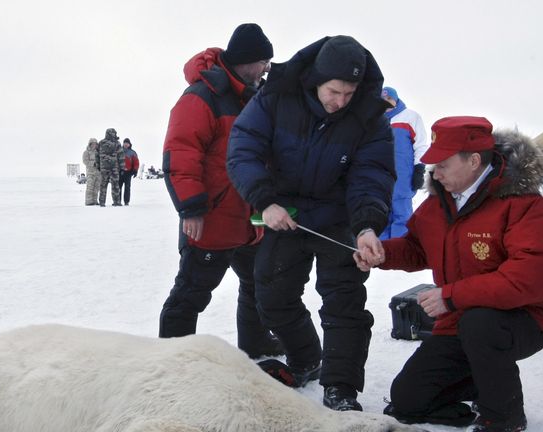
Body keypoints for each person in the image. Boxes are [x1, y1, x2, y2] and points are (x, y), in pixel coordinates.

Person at [354, 116, 543, 431]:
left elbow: (525, 277)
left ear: (473, 161)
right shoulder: (437, 204)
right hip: (459, 319)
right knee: (408, 400)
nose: (434, 172)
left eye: (442, 164)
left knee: (480, 324)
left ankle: (503, 418)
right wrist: (383, 254)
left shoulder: (520, 203)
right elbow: (417, 248)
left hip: (521, 319)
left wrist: (451, 296)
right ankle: (481, 381)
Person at [226, 35, 396, 411]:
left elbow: (372, 176)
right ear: (317, 79)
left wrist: (367, 226)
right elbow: (243, 148)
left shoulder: (369, 115)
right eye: (335, 91)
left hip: (340, 217)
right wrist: (265, 200)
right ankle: (306, 358)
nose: (341, 102)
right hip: (287, 214)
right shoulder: (276, 96)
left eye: (349, 93)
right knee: (270, 293)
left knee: (344, 303)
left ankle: (341, 388)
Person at [159, 23, 282, 359]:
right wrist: (191, 208)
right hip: (212, 218)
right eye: (264, 61)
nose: (267, 68)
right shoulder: (201, 96)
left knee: (258, 285)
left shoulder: (255, 97)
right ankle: (172, 358)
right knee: (191, 293)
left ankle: (255, 343)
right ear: (248, 60)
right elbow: (181, 153)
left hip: (250, 219)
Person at [379, 86, 429, 239]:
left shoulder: (410, 117)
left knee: (402, 214)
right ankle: (382, 255)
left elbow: (420, 145)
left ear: (395, 99)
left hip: (403, 177)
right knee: (380, 213)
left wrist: (419, 169)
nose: (386, 103)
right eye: (382, 100)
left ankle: (401, 252)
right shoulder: (373, 120)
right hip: (380, 176)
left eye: (389, 99)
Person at [96, 128, 124, 207]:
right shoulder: (116, 143)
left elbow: (96, 156)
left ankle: (103, 202)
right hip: (113, 168)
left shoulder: (101, 143)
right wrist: (122, 167)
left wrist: (98, 165)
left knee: (104, 185)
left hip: (107, 168)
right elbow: (121, 156)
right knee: (114, 185)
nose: (114, 135)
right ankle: (116, 202)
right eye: (113, 133)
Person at [119, 138, 140, 206]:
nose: (126, 144)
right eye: (125, 143)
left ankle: (126, 201)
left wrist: (135, 170)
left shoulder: (132, 152)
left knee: (127, 187)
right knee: (118, 187)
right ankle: (118, 201)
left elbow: (136, 163)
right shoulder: (119, 151)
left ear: (129, 144)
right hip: (120, 172)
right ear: (123, 143)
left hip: (128, 173)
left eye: (127, 143)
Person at [82, 138, 101, 205]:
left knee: (96, 188)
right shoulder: (86, 152)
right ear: (90, 144)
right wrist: (93, 164)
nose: (94, 145)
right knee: (90, 188)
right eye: (92, 143)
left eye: (95, 144)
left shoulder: (98, 152)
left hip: (98, 173)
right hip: (90, 173)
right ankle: (88, 201)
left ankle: (95, 201)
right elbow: (85, 161)